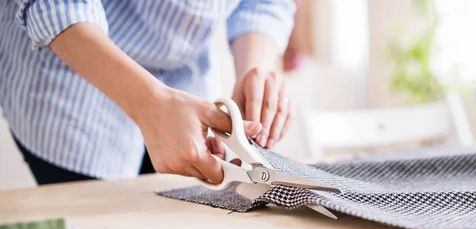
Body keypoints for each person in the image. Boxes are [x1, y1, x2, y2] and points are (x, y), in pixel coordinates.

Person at [0, 0, 296, 185]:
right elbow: (54, 5)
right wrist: (148, 104)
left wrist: (253, 70)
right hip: (74, 89)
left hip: (185, 80)